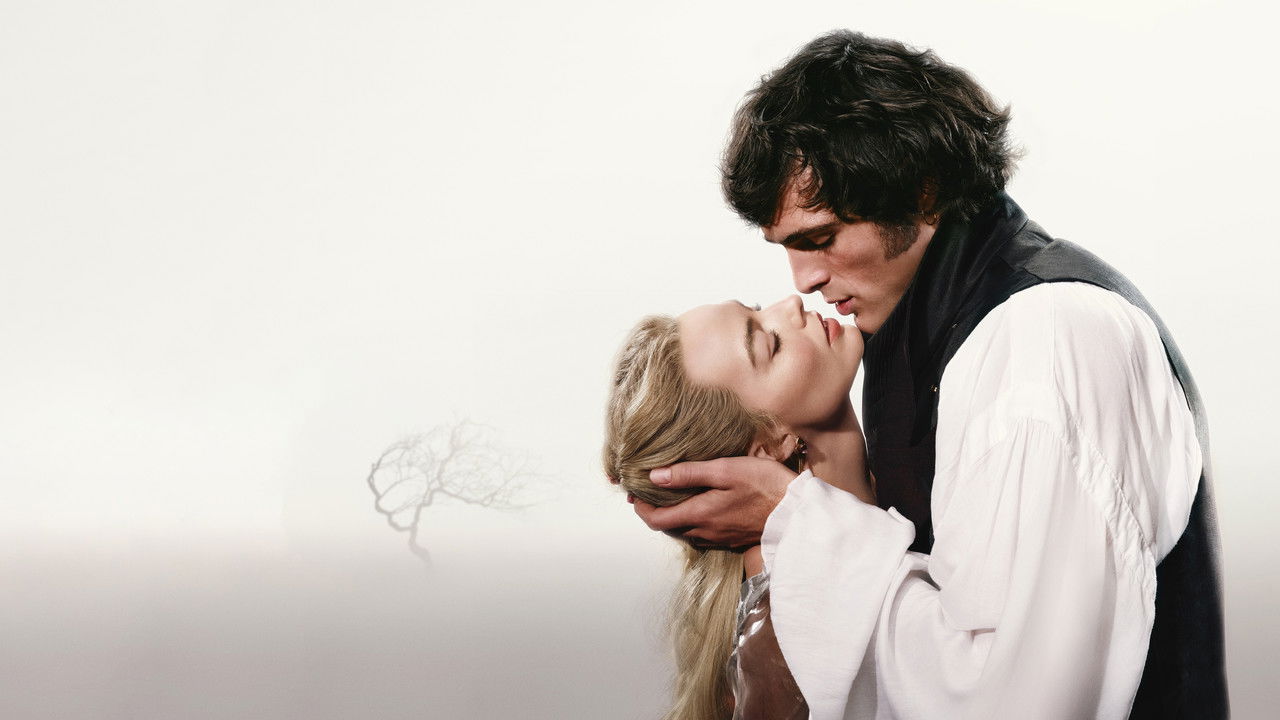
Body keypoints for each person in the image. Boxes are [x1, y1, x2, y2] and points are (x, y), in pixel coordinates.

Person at [630, 30, 1226, 719]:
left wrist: (802, 521)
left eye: (820, 238)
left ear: (921, 189)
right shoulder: (917, 338)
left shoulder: (1041, 342)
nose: (802, 282)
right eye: (787, 248)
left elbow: (1014, 702)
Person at [603, 297, 876, 720]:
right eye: (771, 344)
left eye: (758, 308)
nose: (792, 303)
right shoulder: (784, 640)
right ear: (768, 445)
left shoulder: (899, 492)